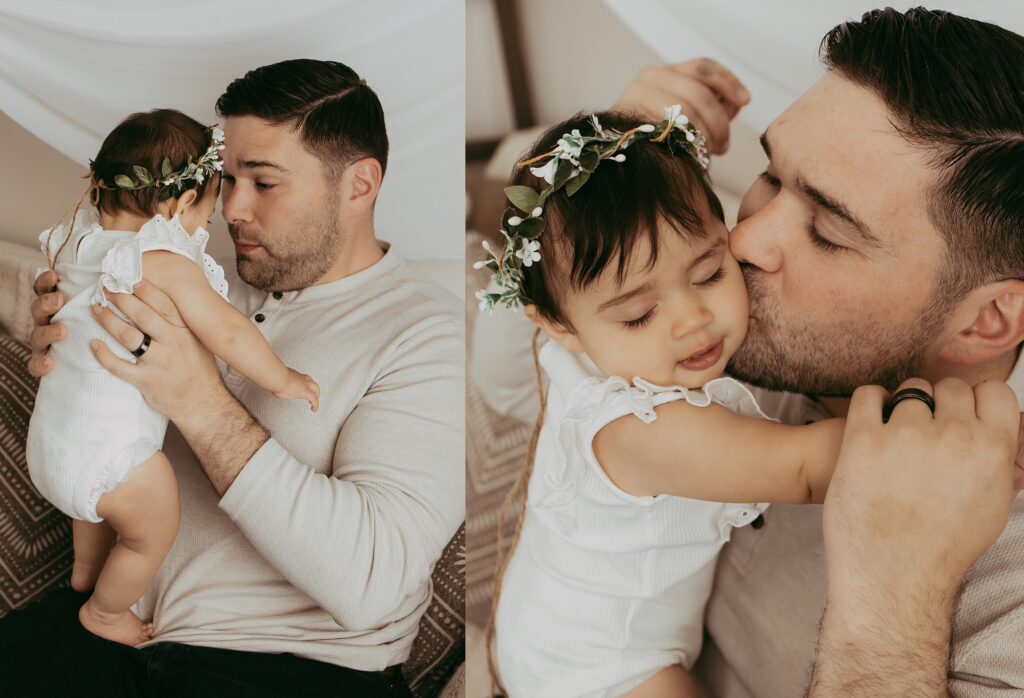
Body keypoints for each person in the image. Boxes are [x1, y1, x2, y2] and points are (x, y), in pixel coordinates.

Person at [473, 7, 1024, 696]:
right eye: (768, 175)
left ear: (990, 318)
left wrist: (894, 600)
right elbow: (508, 374)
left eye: (826, 229)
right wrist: (611, 189)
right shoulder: (695, 327)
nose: (744, 241)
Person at [16, 59, 463, 697]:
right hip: (115, 637)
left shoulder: (428, 332)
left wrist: (200, 401)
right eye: (224, 181)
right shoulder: (176, 273)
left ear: (360, 185)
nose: (231, 209)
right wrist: (70, 348)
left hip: (286, 669)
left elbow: (371, 582)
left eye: (264, 182)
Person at [26, 108, 320, 648]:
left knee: (92, 515)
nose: (208, 228)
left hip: (50, 448)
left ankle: (84, 572)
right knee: (151, 531)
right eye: (204, 218)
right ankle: (106, 612)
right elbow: (229, 332)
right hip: (115, 455)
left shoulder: (72, 248)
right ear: (182, 205)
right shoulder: (158, 259)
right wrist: (283, 380)